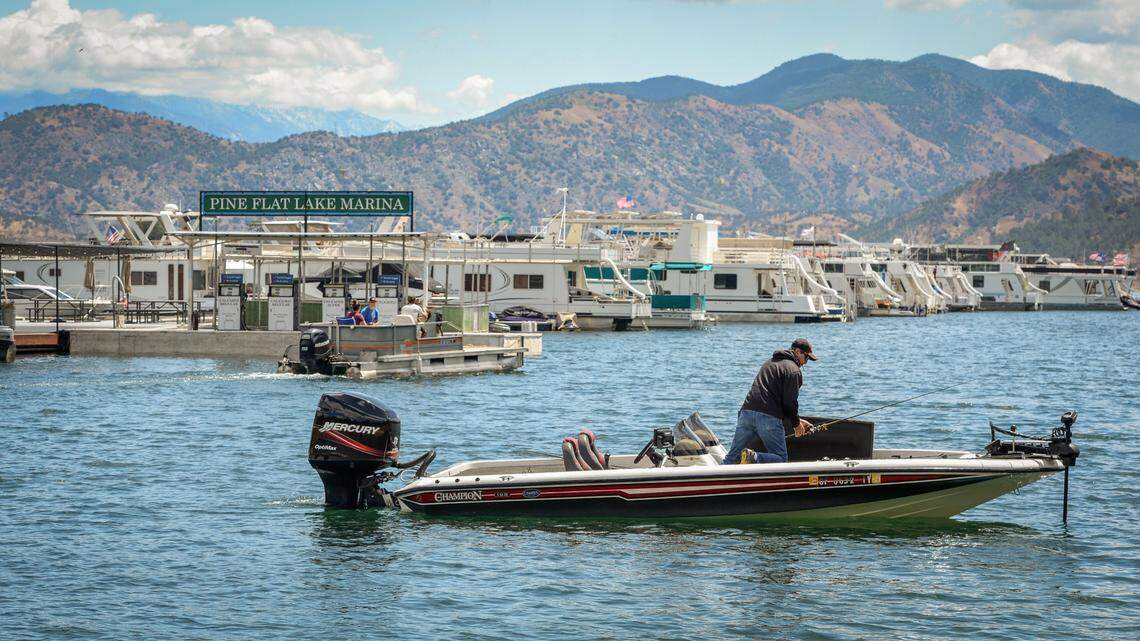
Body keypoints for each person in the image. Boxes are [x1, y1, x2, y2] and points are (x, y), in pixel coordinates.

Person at [722, 338, 817, 465]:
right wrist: (796, 425)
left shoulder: (770, 362)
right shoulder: (793, 370)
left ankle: (711, 480)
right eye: (806, 358)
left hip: (746, 413)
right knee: (780, 459)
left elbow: (772, 397)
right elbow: (789, 403)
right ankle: (754, 457)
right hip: (768, 418)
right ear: (797, 351)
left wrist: (797, 420)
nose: (805, 363)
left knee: (732, 457)